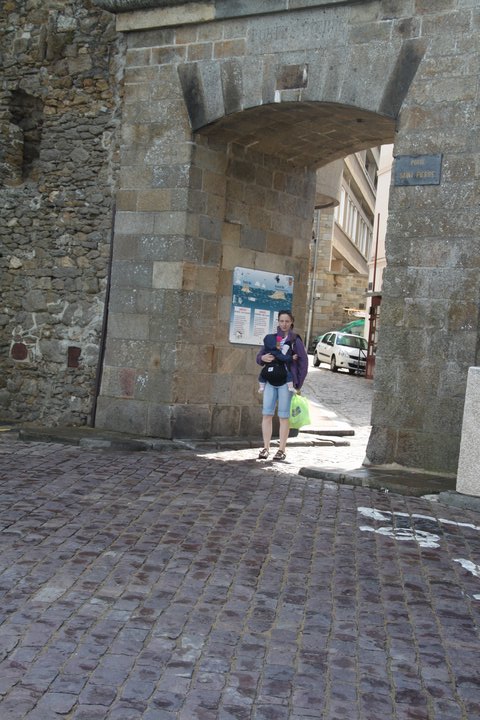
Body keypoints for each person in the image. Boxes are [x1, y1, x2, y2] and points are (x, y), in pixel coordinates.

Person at [256, 309, 308, 461]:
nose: (284, 324)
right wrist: (262, 358)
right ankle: (265, 448)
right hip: (270, 381)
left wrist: (298, 383)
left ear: (291, 322)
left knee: (284, 416)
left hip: (286, 382)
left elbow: (304, 363)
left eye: (287, 321)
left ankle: (281, 449)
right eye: (281, 321)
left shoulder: (295, 340)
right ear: (278, 322)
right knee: (267, 414)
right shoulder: (273, 339)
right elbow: (260, 355)